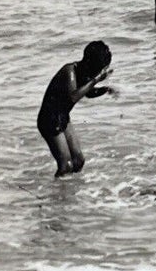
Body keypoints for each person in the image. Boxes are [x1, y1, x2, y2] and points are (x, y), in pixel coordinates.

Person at [37, 41, 114, 175]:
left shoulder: (83, 72)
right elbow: (73, 97)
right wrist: (96, 80)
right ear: (90, 63)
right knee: (66, 165)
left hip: (62, 118)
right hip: (49, 120)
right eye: (99, 68)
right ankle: (58, 193)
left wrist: (105, 89)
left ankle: (70, 190)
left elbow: (87, 93)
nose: (99, 72)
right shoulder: (70, 71)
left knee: (78, 161)